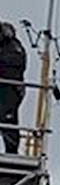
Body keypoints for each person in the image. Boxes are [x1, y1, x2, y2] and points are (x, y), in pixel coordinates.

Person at [0, 21, 26, 155]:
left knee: (7, 119)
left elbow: (11, 67)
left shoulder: (14, 48)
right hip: (8, 88)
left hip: (10, 89)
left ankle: (11, 151)